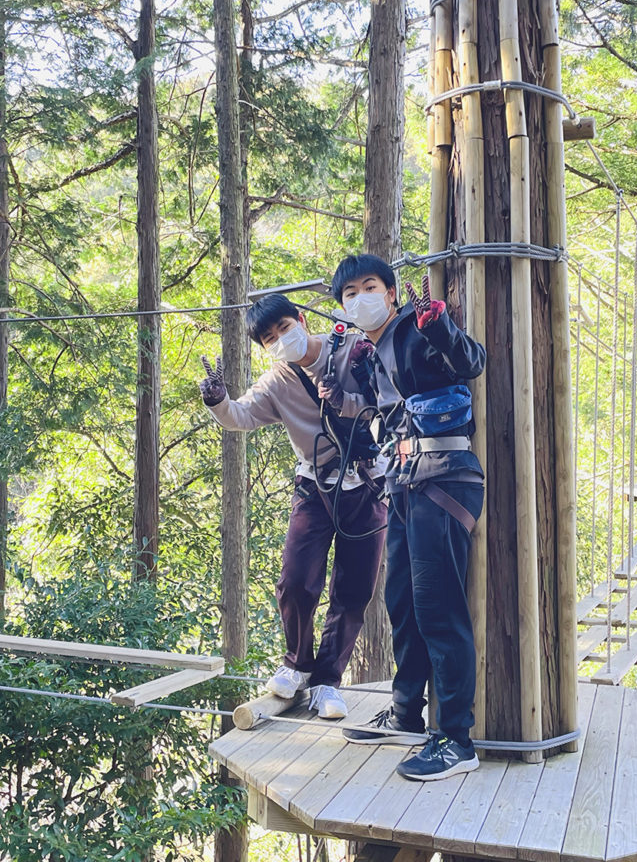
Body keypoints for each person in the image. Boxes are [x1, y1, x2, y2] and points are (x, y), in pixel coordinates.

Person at [329, 254, 485, 780]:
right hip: (405, 485)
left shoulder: (416, 330)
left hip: (443, 480)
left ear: (391, 292)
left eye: (369, 286)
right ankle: (405, 714)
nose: (360, 299)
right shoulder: (373, 354)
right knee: (403, 602)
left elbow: (472, 361)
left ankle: (457, 740)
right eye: (350, 294)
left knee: (439, 608)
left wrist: (439, 325)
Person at [198, 293, 387, 721]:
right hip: (314, 486)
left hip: (367, 484)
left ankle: (327, 681)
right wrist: (218, 400)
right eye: (269, 338)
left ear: (301, 319)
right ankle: (297, 663)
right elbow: (241, 416)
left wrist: (346, 397)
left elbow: (384, 398)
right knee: (296, 580)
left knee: (354, 589)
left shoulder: (351, 349)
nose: (280, 340)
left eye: (283, 328)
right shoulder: (277, 382)